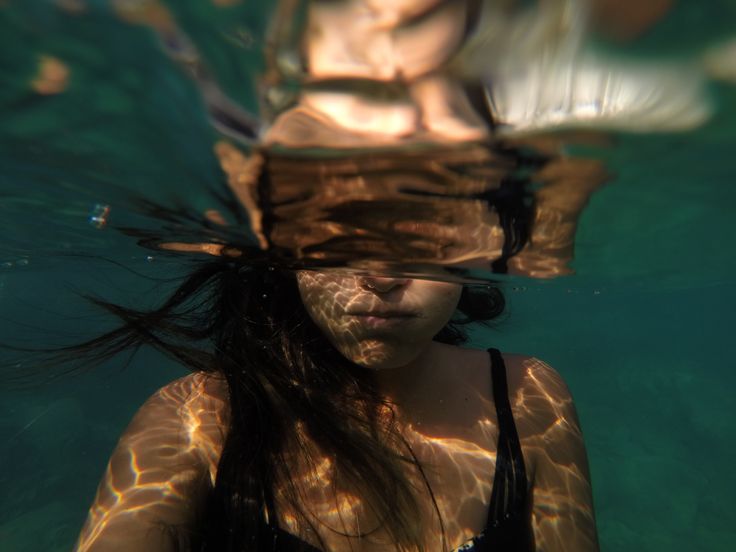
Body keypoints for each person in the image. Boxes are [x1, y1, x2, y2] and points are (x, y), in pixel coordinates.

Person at [73, 263, 598, 551]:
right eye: (340, 231)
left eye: (421, 231)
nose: (381, 274)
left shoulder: (526, 392)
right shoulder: (201, 416)